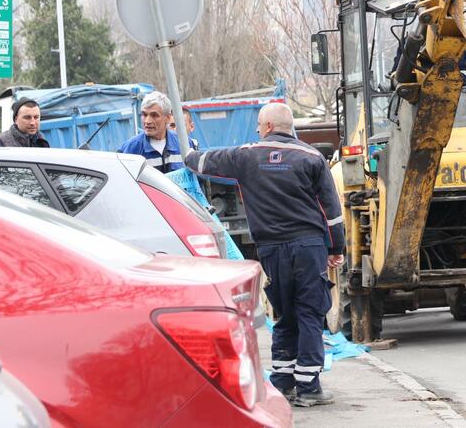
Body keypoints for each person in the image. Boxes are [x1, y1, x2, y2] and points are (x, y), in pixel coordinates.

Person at [185, 102, 345, 407]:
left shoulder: (246, 155)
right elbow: (331, 210)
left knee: (284, 313)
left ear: (268, 126)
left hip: (271, 249)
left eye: (260, 126)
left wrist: (186, 150)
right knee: (310, 312)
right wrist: (336, 248)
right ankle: (309, 387)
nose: (258, 131)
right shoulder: (311, 157)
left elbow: (203, 162)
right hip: (308, 246)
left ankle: (283, 383)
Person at [118, 92, 192, 173]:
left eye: (154, 115)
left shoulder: (184, 144)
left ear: (167, 117)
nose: (147, 121)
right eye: (144, 115)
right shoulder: (130, 148)